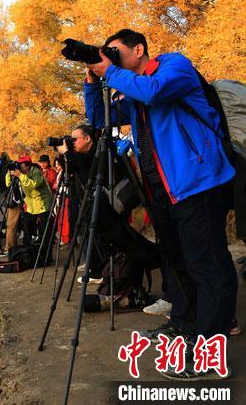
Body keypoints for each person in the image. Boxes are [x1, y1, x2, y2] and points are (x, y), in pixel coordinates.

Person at [85, 29, 237, 378]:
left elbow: (154, 92)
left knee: (207, 265)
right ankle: (185, 325)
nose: (112, 58)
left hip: (197, 185)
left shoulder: (173, 67)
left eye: (116, 52)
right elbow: (99, 120)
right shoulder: (134, 90)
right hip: (163, 194)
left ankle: (210, 351)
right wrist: (93, 81)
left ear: (138, 49)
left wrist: (108, 70)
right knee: (178, 263)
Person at [7, 156, 52, 248]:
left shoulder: (36, 172)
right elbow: (8, 184)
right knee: (27, 229)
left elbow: (34, 185)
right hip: (30, 207)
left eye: (21, 164)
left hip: (43, 205)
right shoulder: (21, 173)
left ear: (27, 165)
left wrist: (20, 175)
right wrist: (9, 173)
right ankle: (27, 252)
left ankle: (47, 255)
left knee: (45, 232)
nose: (19, 166)